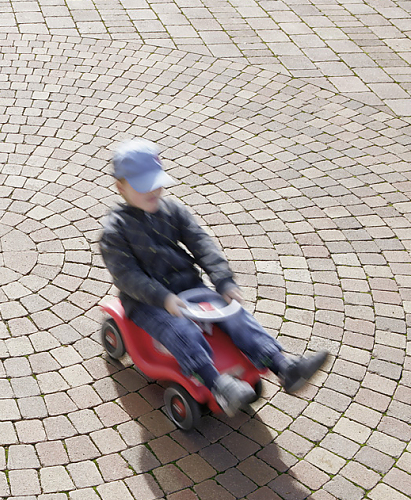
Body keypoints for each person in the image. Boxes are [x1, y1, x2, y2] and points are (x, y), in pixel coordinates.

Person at [99, 138, 329, 416]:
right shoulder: (115, 231)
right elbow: (127, 276)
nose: (152, 190)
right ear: (120, 187)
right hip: (148, 303)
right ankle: (217, 383)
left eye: (155, 182)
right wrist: (163, 298)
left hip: (190, 288)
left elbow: (201, 243)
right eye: (142, 185)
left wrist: (223, 281)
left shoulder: (172, 211)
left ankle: (283, 365)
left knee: (235, 315)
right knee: (181, 330)